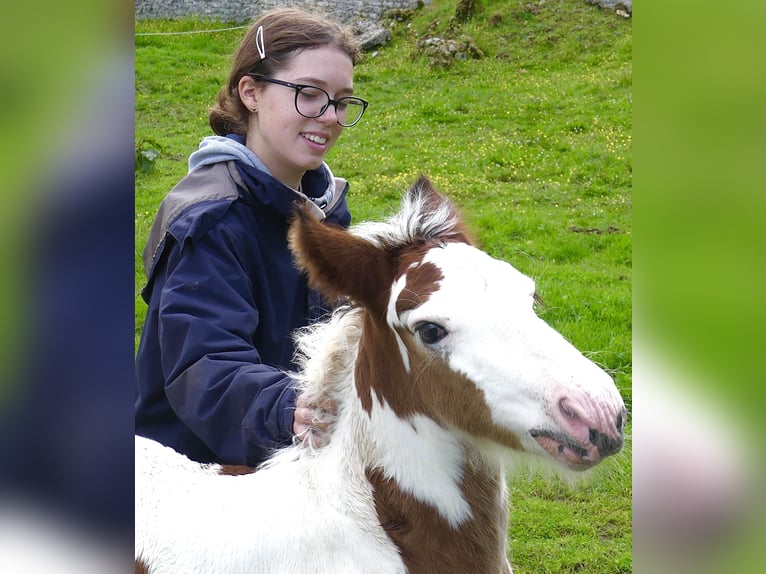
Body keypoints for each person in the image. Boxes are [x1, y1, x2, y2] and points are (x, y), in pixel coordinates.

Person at [135, 8, 368, 466]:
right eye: (309, 93)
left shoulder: (325, 210)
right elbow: (206, 367)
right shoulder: (211, 218)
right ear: (252, 92)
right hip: (198, 480)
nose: (329, 116)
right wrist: (295, 409)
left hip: (296, 465)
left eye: (341, 101)